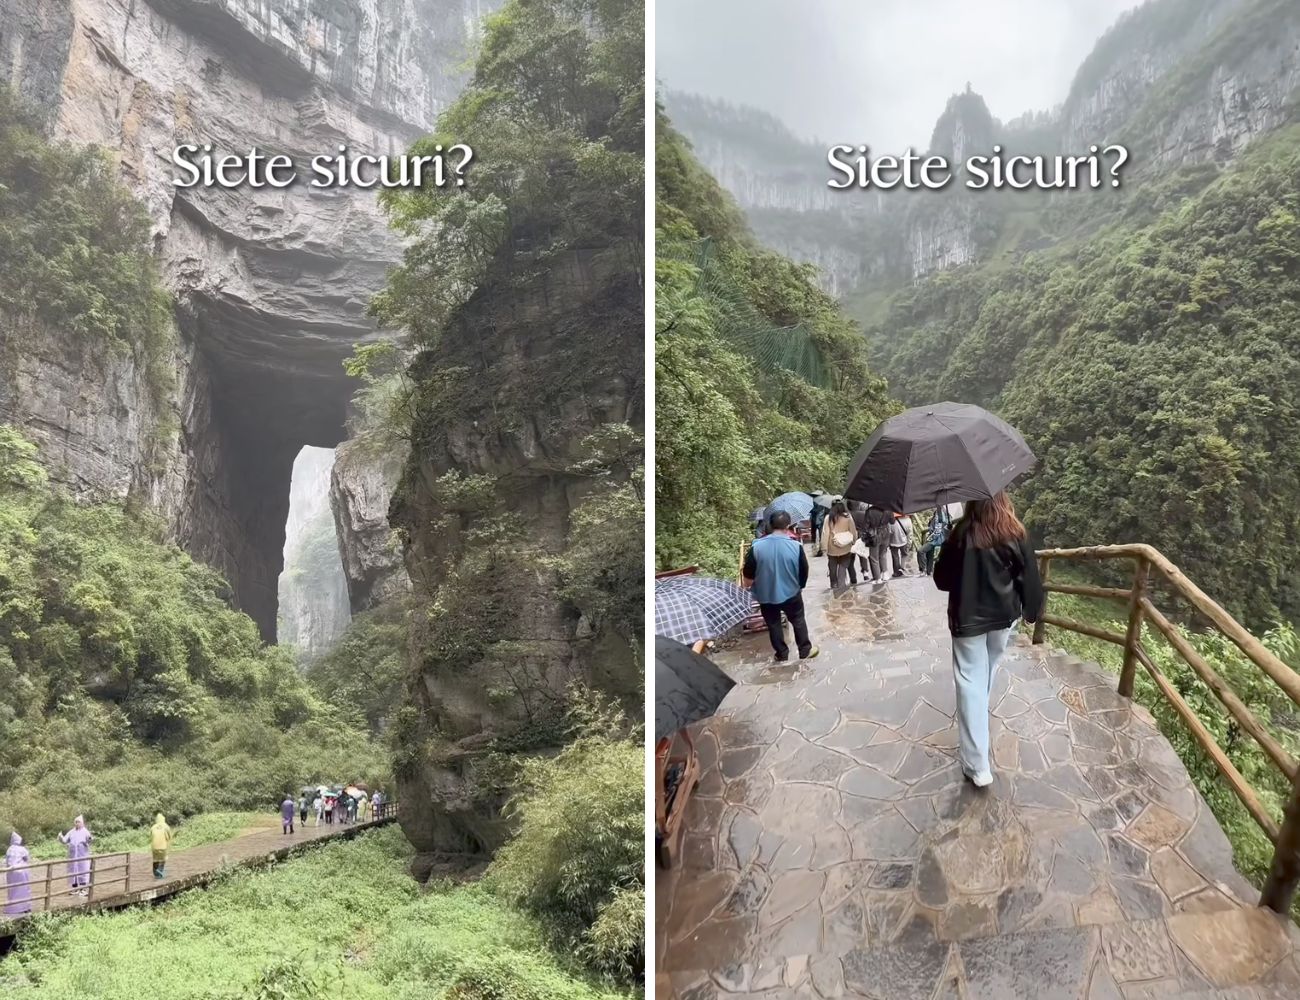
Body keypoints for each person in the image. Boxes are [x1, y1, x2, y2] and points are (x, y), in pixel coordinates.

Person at [934, 491, 1043, 788]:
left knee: (970, 682)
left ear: (972, 502)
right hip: (1003, 618)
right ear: (1002, 500)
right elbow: (1029, 576)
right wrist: (1032, 611)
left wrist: (947, 543)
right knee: (986, 672)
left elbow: (941, 580)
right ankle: (977, 721)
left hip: (967, 619)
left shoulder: (960, 534)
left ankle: (977, 765)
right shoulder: (1014, 532)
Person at [742, 510, 819, 662]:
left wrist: (752, 586)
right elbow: (804, 570)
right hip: (791, 592)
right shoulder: (796, 546)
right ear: (788, 526)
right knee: (798, 620)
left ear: (770, 525)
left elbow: (748, 577)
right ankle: (805, 650)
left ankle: (781, 654)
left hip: (766, 595)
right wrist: (800, 586)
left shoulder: (756, 548)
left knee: (774, 624)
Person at [820, 500, 858, 588]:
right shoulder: (848, 517)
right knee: (843, 565)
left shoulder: (828, 518)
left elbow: (825, 533)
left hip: (832, 546)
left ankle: (834, 584)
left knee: (832, 566)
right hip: (845, 547)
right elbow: (853, 531)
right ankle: (841, 584)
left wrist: (824, 547)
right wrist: (854, 542)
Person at [58, 816, 93, 895]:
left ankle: (83, 889)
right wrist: (60, 837)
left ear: (82, 823)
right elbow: (64, 840)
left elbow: (89, 840)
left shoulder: (85, 831)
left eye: (79, 822)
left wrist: (90, 839)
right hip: (73, 855)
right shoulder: (71, 832)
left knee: (83, 871)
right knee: (73, 871)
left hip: (82, 855)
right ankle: (75, 889)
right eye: (76, 822)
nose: (77, 824)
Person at [917, 507, 952, 576]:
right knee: (930, 553)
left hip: (935, 539)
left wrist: (930, 538)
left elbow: (938, 529)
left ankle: (923, 570)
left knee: (920, 551)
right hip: (938, 538)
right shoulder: (943, 512)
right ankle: (929, 571)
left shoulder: (940, 512)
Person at [863, 505, 894, 582]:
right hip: (885, 533)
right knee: (883, 554)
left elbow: (865, 526)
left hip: (874, 535)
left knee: (874, 557)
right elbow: (892, 521)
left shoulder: (869, 511)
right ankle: (885, 574)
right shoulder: (888, 509)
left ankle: (877, 578)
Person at [4, 832, 32, 916]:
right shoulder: (22, 849)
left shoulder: (9, 849)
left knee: (13, 890)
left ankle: (13, 908)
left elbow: (7, 861)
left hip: (11, 872)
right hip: (22, 871)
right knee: (24, 889)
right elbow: (27, 858)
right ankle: (25, 907)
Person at [150, 813, 173, 879]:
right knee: (163, 859)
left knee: (155, 860)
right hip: (163, 847)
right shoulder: (166, 827)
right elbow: (169, 837)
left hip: (154, 847)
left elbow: (151, 837)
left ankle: (155, 873)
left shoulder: (153, 827)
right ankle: (159, 873)